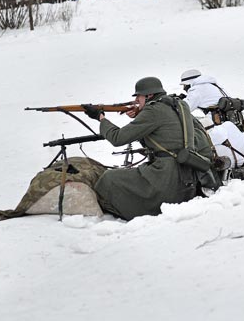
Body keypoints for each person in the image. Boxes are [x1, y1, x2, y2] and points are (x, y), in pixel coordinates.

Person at [81, 77, 215, 220]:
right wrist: (139, 115)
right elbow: (161, 134)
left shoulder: (153, 111)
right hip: (187, 179)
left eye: (138, 95)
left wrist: (100, 118)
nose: (136, 99)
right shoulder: (176, 105)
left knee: (109, 178)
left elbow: (117, 138)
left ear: (149, 95)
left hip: (166, 179)